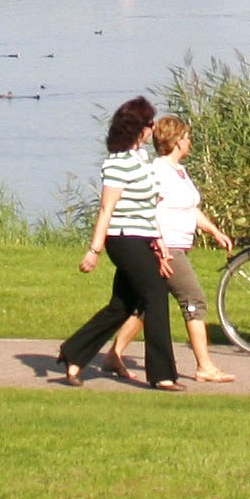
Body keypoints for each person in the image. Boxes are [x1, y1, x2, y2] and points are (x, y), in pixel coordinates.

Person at [57, 95, 182, 389]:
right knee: (155, 294)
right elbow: (106, 209)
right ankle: (162, 375)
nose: (153, 129)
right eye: (150, 124)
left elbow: (148, 208)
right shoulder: (117, 164)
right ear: (139, 129)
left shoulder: (143, 161)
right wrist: (94, 250)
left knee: (122, 305)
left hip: (143, 237)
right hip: (123, 239)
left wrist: (159, 241)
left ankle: (74, 353)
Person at [102, 114, 236, 384]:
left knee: (146, 305)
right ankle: (205, 366)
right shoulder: (158, 172)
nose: (190, 142)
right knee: (194, 300)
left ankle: (114, 354)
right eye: (187, 137)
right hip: (167, 247)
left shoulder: (180, 171)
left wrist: (214, 231)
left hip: (179, 245)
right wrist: (159, 245)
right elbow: (148, 208)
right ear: (176, 141)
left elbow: (190, 208)